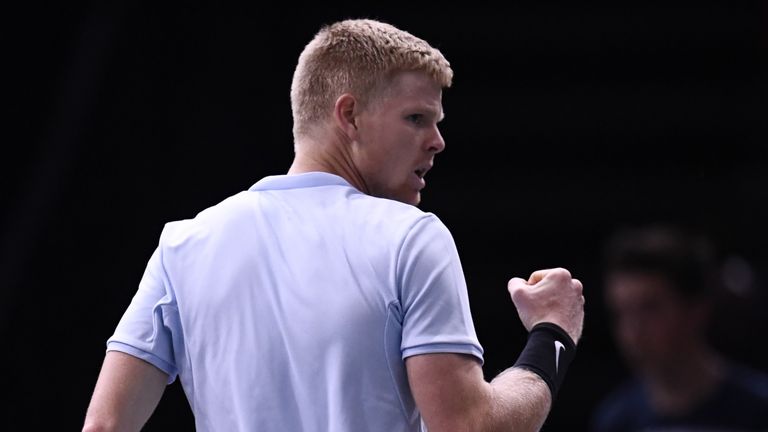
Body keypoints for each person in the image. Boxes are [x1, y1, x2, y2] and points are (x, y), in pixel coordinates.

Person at [82, 18, 585, 432]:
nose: (437, 141)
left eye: (437, 123)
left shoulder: (183, 245)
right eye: (416, 118)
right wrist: (552, 334)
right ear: (350, 115)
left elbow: (105, 426)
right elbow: (467, 427)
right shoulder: (410, 237)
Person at [590, 224, 768, 432]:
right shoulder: (617, 419)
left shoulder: (759, 409)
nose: (633, 331)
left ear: (695, 309)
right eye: (621, 313)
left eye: (650, 309)